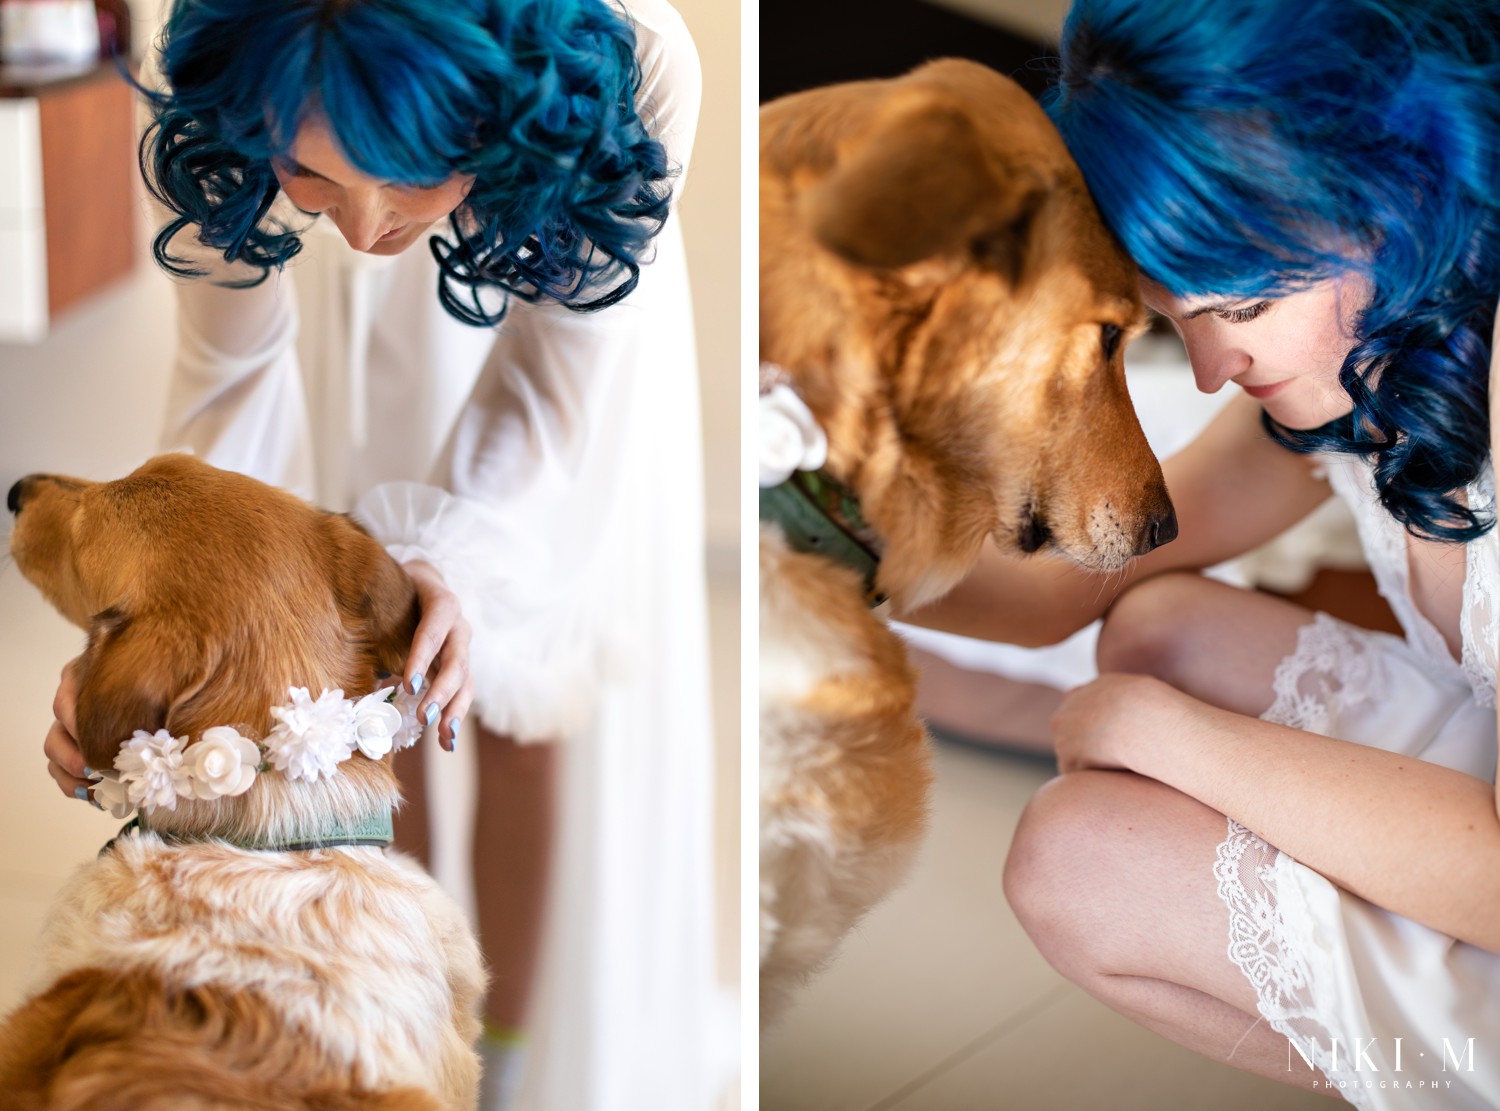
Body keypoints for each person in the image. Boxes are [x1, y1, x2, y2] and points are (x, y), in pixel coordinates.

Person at [39, 1, 719, 1108]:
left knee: (512, 700)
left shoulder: (632, 67)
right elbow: (230, 379)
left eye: (408, 178)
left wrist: (453, 556)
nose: (363, 231)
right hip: (350, 343)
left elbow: (553, 386)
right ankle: (391, 1012)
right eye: (310, 180)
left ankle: (501, 1067)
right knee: (361, 707)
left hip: (551, 292)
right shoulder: (209, 67)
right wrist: (168, 623)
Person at [912, 0, 1500, 1104]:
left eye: (1242, 303)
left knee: (1071, 854)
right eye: (1171, 321)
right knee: (1157, 624)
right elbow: (1069, 586)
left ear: (1399, 192)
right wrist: (841, 544)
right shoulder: (1370, 360)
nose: (1211, 372)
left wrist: (1162, 734)